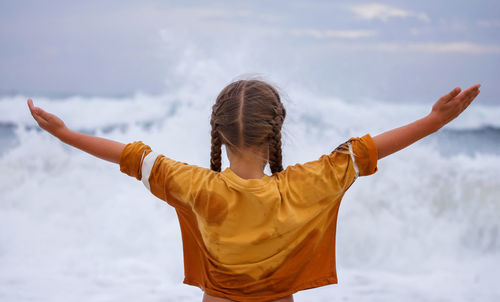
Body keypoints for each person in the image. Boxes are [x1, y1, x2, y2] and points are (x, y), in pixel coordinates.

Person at [27, 79, 480, 302]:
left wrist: (65, 134)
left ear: (219, 134)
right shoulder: (308, 185)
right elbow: (367, 151)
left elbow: (129, 154)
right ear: (276, 130)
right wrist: (435, 120)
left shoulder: (193, 185)